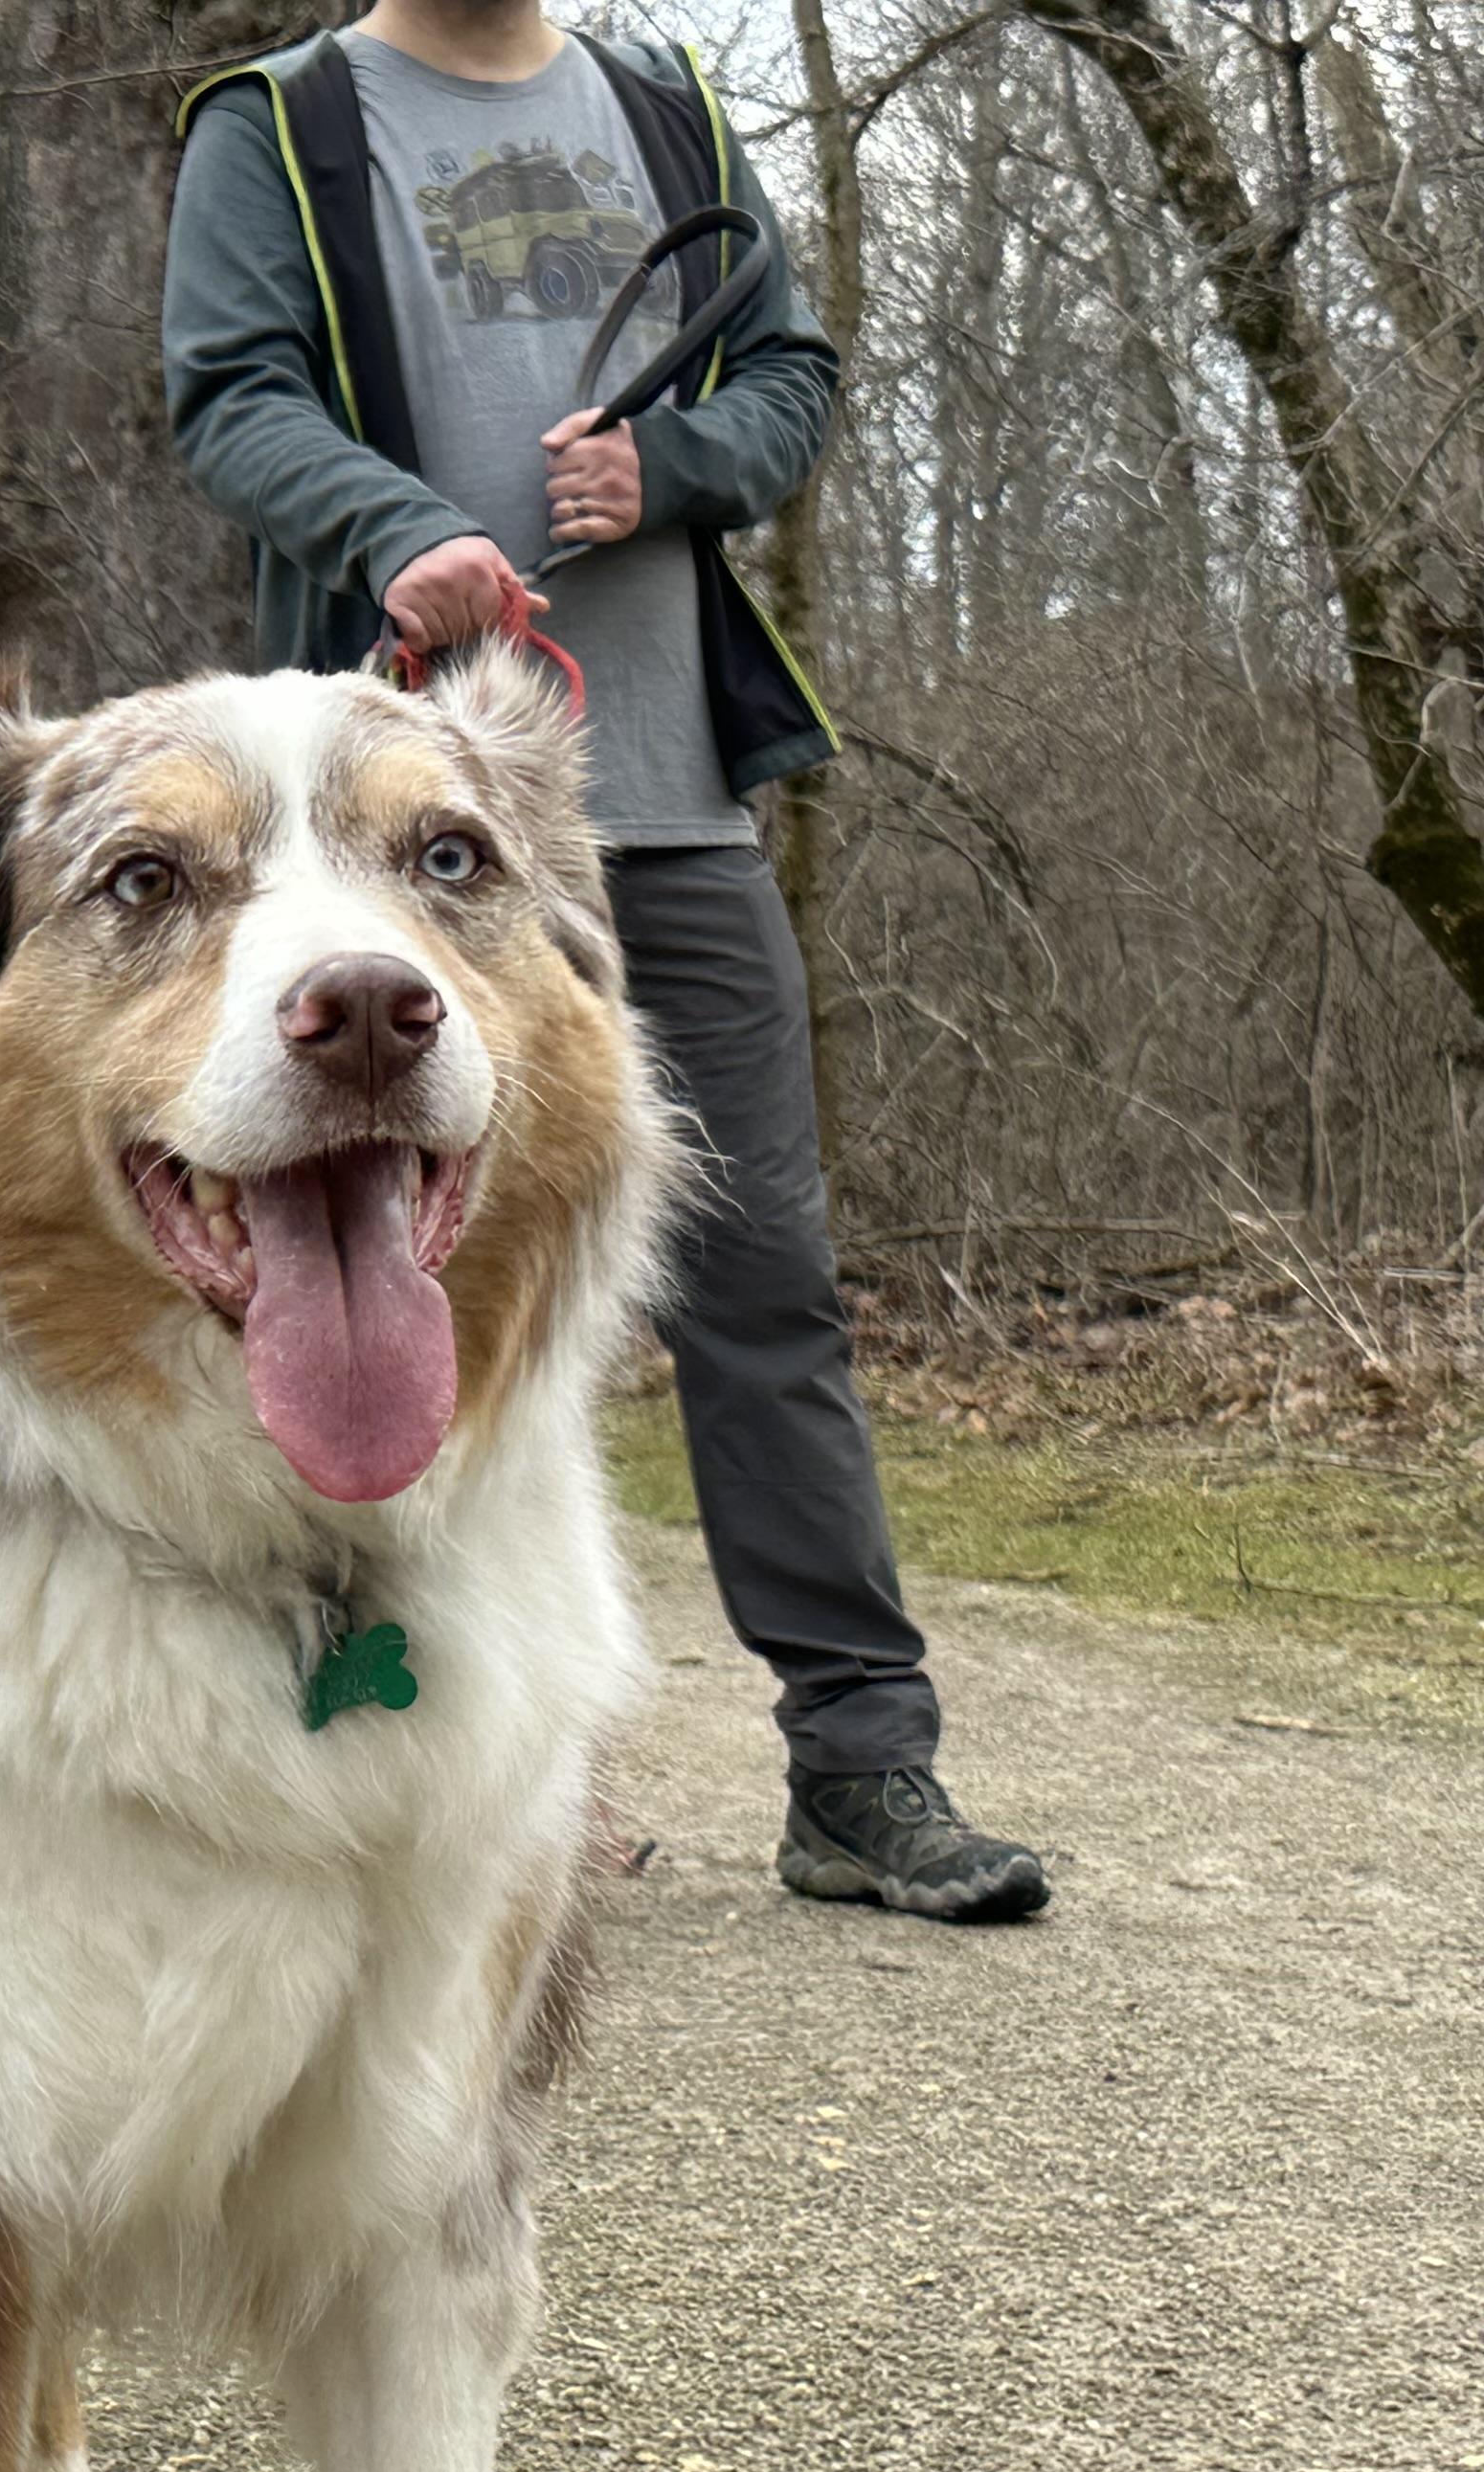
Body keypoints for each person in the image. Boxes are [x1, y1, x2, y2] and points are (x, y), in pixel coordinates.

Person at [163, 0, 1050, 1922]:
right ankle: (425, 1771)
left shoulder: (668, 103)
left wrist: (677, 469)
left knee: (764, 1288)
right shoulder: (284, 121)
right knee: (371, 1280)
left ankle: (863, 1766)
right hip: (404, 853)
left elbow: (793, 376)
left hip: (668, 806)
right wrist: (397, 531)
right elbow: (228, 395)